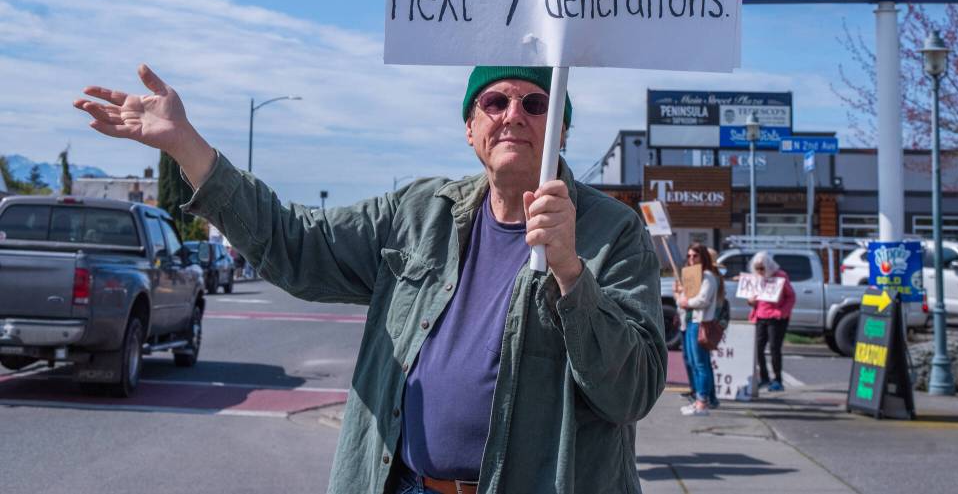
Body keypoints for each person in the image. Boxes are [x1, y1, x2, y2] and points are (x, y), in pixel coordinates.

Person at [74, 64, 667, 494]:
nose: (514, 115)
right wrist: (186, 145)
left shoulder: (612, 232)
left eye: (535, 104)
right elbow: (296, 243)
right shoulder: (418, 212)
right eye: (494, 102)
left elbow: (632, 390)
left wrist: (569, 269)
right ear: (470, 128)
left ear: (560, 130)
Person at [674, 243, 723, 416]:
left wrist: (686, 302)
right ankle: (700, 399)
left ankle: (703, 401)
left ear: (703, 257)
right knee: (694, 363)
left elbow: (703, 300)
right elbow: (682, 298)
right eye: (689, 256)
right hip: (688, 323)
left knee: (700, 364)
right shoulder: (691, 275)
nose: (691, 259)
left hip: (700, 323)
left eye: (695, 256)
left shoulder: (707, 275)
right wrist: (681, 297)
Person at [747, 251, 796, 392]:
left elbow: (791, 296)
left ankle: (778, 380)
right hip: (760, 316)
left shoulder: (780, 276)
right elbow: (753, 299)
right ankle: (764, 378)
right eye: (757, 268)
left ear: (768, 266)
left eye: (762, 268)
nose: (760, 271)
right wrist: (751, 302)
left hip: (777, 318)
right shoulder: (756, 278)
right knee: (758, 349)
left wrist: (783, 312)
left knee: (774, 348)